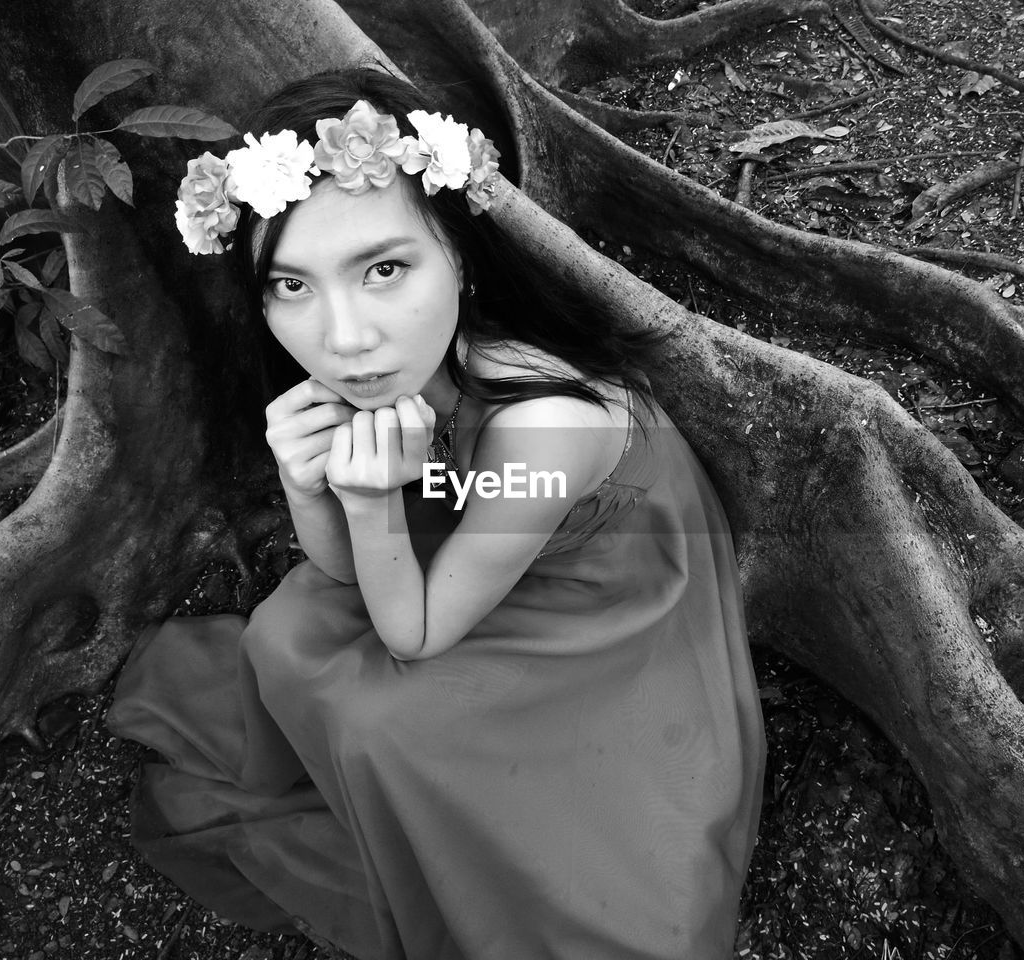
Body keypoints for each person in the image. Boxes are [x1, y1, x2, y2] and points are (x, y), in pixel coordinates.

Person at [107, 66, 766, 960]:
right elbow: (341, 572)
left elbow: (414, 634)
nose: (343, 338)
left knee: (389, 723)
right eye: (290, 287)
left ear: (457, 254)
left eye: (383, 269)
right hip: (472, 555)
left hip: (599, 620)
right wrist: (310, 486)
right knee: (288, 628)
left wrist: (371, 498)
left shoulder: (546, 427)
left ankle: (477, 851)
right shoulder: (404, 363)